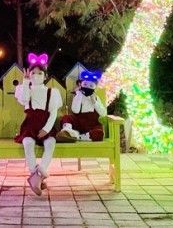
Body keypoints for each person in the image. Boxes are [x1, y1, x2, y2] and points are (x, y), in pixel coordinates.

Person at [14, 52, 62, 195]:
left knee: (50, 144)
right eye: (33, 73)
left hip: (45, 123)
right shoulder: (24, 89)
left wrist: (47, 129)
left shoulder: (52, 92)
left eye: (40, 73)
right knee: (28, 143)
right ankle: (36, 177)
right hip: (30, 124)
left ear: (45, 76)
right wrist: (26, 81)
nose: (36, 76)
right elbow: (24, 98)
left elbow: (53, 112)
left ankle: (38, 176)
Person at [56, 69, 106, 142]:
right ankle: (66, 132)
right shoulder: (78, 96)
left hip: (92, 125)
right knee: (66, 118)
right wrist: (79, 95)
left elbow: (103, 113)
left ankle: (78, 137)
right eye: (85, 84)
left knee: (99, 133)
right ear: (81, 84)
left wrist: (94, 102)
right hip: (78, 123)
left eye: (91, 85)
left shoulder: (96, 98)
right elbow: (75, 110)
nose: (87, 87)